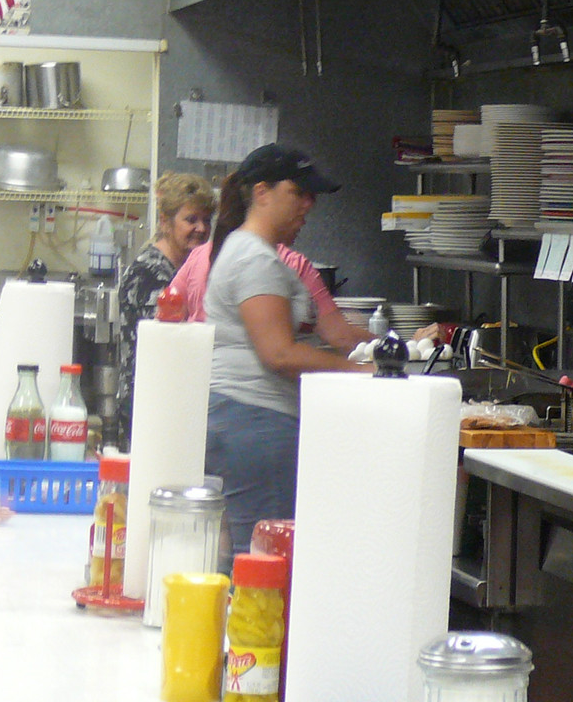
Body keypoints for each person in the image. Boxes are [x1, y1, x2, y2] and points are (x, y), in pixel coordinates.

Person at [203, 144, 381, 561]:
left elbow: (332, 331)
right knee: (264, 562)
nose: (308, 204)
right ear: (261, 192)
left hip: (244, 419)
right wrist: (361, 372)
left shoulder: (259, 255)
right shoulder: (254, 259)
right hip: (254, 420)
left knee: (250, 558)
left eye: (311, 195)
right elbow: (279, 355)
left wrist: (395, 347)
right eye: (298, 192)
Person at [118, 172, 216, 447]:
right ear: (165, 222)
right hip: (150, 406)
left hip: (173, 401)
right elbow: (171, 343)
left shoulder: (186, 268)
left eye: (206, 220)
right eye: (191, 219)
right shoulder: (151, 272)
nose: (201, 228)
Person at [172, 240, 374, 355]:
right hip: (259, 394)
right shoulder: (290, 263)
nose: (305, 211)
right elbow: (339, 335)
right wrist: (384, 343)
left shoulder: (201, 254)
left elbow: (169, 309)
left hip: (200, 379)